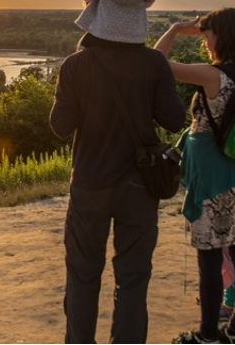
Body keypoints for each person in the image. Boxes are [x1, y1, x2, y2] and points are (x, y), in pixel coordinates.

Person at [50, 19, 186, 343]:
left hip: (90, 183)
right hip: (139, 185)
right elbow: (174, 118)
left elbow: (60, 125)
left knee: (82, 275)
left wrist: (75, 80)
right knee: (133, 278)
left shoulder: (76, 64)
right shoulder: (153, 62)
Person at [153, 8, 235, 345]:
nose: (204, 41)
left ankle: (206, 336)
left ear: (222, 36)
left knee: (209, 253)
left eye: (207, 34)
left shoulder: (213, 75)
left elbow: (156, 65)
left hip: (214, 179)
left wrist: (174, 29)